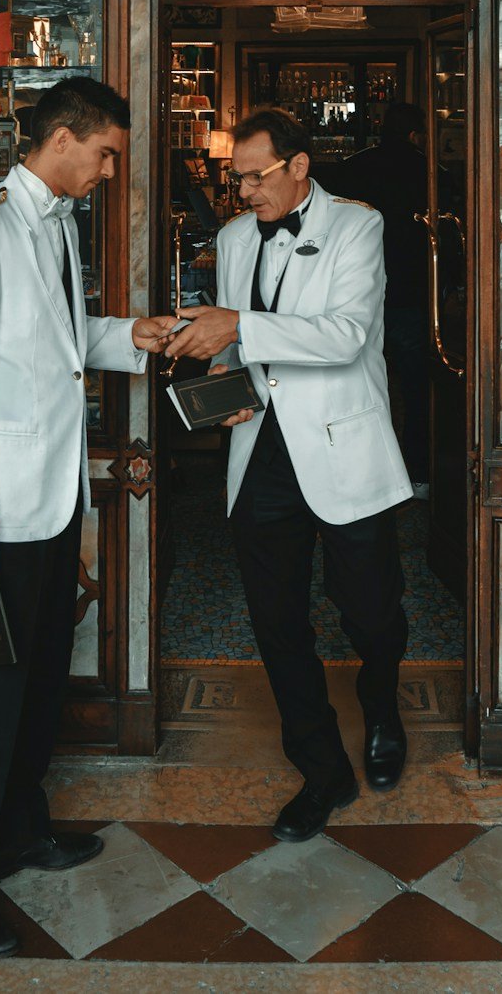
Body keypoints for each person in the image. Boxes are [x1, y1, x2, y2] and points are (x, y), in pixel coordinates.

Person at [0, 77, 174, 958]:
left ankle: (20, 831)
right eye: (103, 155)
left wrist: (128, 334)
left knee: (40, 681)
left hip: (55, 497)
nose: (106, 172)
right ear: (62, 139)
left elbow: (57, 344)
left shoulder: (55, 225)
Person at [161, 107, 414, 840]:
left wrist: (236, 326)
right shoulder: (237, 238)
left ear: (299, 165)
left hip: (342, 447)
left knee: (371, 611)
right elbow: (243, 351)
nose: (241, 192)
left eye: (253, 176)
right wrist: (226, 382)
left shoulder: (358, 227)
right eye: (233, 177)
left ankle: (384, 707)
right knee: (276, 624)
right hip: (262, 456)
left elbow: (345, 336)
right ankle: (321, 767)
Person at [326, 101, 432, 484]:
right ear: (415, 134)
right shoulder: (428, 171)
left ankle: (354, 473)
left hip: (353, 294)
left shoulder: (352, 168)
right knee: (416, 389)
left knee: (354, 385)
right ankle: (416, 472)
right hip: (411, 292)